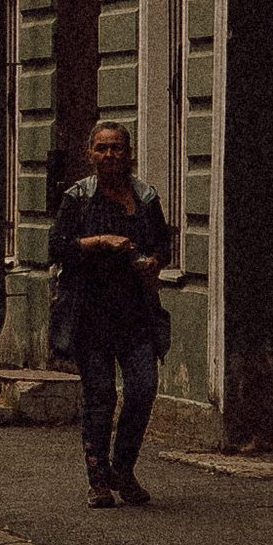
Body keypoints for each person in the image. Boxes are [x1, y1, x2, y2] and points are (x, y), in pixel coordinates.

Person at [49, 118, 171, 507]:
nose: (109, 155)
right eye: (101, 148)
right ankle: (98, 480)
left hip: (136, 314)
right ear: (90, 155)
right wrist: (100, 241)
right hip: (90, 313)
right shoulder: (79, 197)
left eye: (116, 147)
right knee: (100, 396)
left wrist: (154, 262)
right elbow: (57, 247)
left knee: (143, 389)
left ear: (129, 154)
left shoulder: (145, 198)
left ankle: (123, 469)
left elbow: (163, 245)